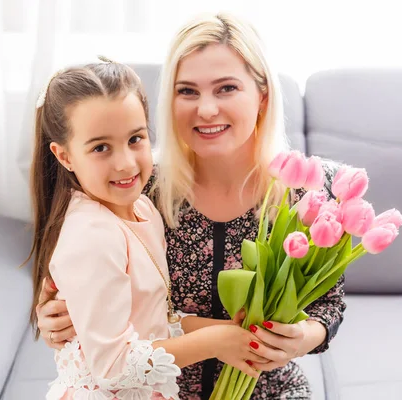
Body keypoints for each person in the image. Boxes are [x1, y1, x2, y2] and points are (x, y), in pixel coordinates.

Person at [36, 13, 346, 400]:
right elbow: (82, 266)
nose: (207, 110)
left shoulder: (305, 192)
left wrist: (300, 338)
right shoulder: (138, 187)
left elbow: (328, 304)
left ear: (262, 94)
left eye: (226, 88)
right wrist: (51, 311)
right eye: (187, 91)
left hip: (267, 390)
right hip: (157, 390)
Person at [28, 59, 265, 400]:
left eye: (135, 139)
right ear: (64, 157)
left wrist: (228, 332)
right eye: (100, 148)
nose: (125, 163)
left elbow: (153, 320)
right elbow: (112, 366)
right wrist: (213, 342)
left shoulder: (144, 208)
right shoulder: (92, 235)